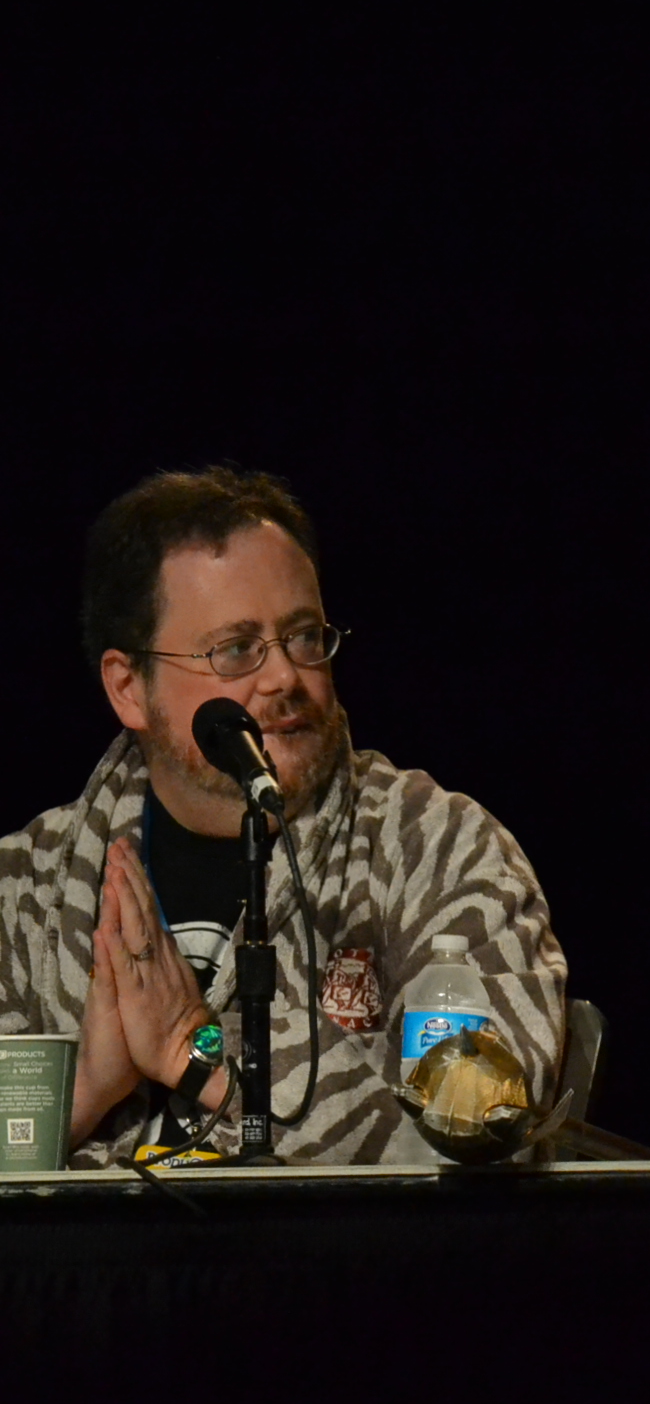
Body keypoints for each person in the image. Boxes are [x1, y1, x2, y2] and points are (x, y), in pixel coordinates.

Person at [0, 467, 565, 1166]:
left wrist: (195, 1048)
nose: (283, 678)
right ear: (128, 687)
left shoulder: (437, 848)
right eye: (236, 650)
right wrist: (83, 1087)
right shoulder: (23, 888)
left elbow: (480, 1147)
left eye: (303, 637)